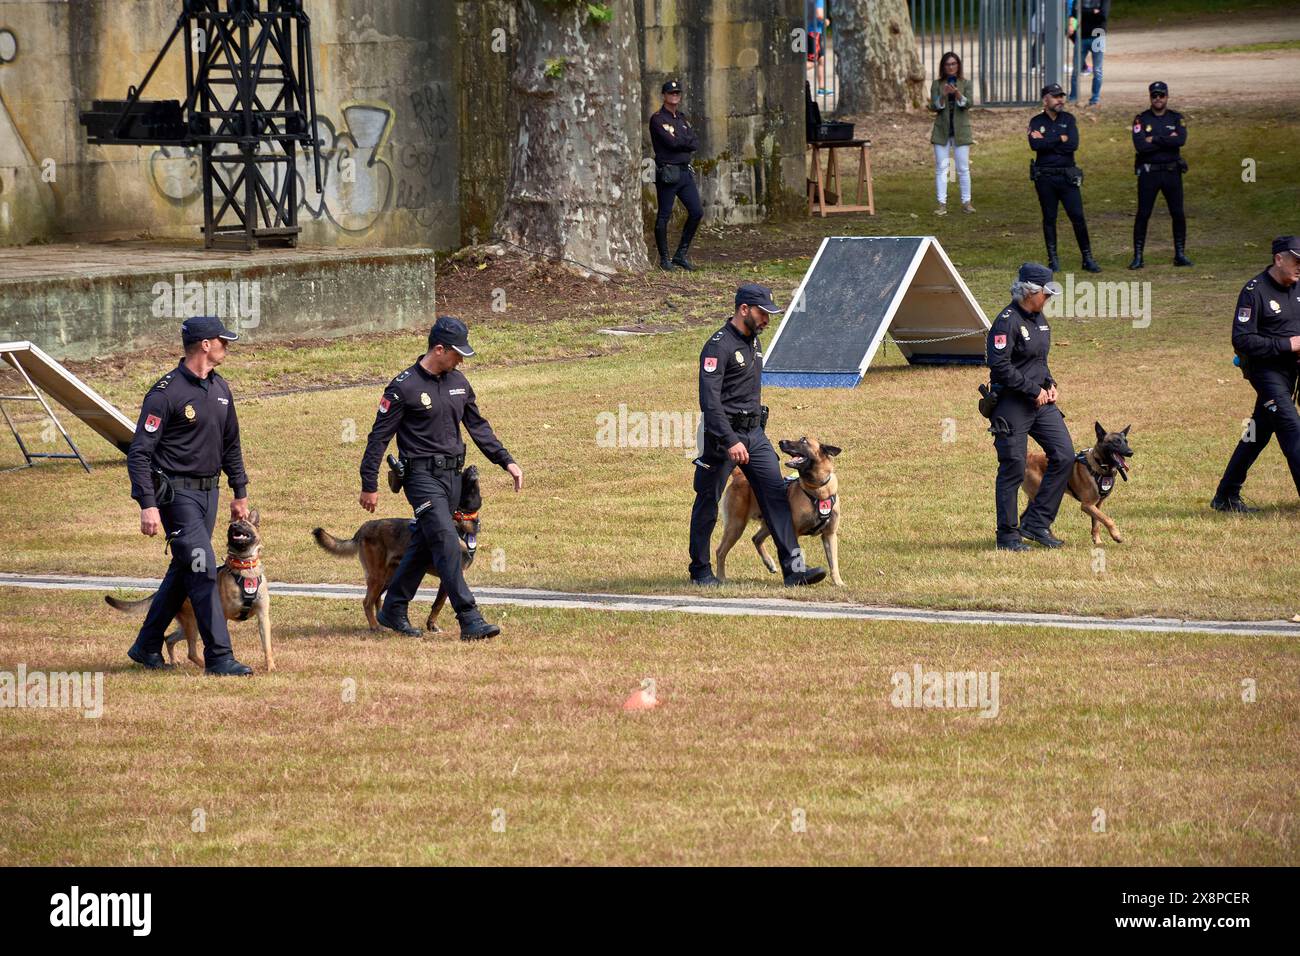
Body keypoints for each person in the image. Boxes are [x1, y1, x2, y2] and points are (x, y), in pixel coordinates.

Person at [359, 316, 523, 640]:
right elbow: (378, 438)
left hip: (453, 479)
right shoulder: (403, 387)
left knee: (423, 543)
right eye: (457, 353)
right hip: (421, 478)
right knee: (447, 541)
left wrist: (507, 461)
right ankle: (469, 618)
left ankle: (393, 608)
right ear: (438, 349)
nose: (461, 359)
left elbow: (479, 427)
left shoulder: (459, 382)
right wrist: (369, 483)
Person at [125, 316, 254, 676]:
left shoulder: (221, 389)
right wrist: (147, 504)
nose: (228, 347)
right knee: (201, 569)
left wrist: (239, 491)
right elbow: (139, 453)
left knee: (183, 570)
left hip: (209, 493)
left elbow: (232, 445)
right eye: (223, 341)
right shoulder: (165, 393)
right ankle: (220, 657)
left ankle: (146, 645)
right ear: (205, 345)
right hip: (175, 496)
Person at [689, 284, 827, 587]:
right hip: (721, 436)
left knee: (777, 496)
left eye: (769, 314)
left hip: (754, 434)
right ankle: (700, 571)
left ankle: (795, 571)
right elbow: (709, 402)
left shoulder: (754, 342)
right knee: (708, 501)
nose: (767, 319)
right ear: (744, 310)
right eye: (762, 313)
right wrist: (730, 440)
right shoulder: (718, 346)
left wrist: (750, 434)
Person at [985, 264, 1074, 551]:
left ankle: (1036, 522)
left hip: (1041, 403)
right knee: (1013, 467)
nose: (1048, 300)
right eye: (1045, 295)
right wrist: (1032, 389)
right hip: (1012, 404)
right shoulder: (1006, 321)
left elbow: (1039, 361)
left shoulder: (1040, 320)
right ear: (1029, 292)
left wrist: (1050, 384)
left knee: (1064, 456)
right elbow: (1000, 367)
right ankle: (1008, 536)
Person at [1211, 237, 1300, 513]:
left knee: (1256, 433)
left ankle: (1225, 496)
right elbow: (1242, 340)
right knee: (1292, 429)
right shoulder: (1254, 291)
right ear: (1279, 259)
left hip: (1294, 370)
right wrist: (1287, 344)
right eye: (1296, 260)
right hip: (1266, 372)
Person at [1028, 83, 1100, 274]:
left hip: (1067, 177)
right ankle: (1053, 260)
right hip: (1045, 178)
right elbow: (1035, 145)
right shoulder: (1036, 121)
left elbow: (1073, 145)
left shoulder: (1068, 119)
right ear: (1045, 100)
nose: (1060, 100)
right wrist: (1060, 139)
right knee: (1049, 218)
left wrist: (1048, 142)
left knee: (1077, 217)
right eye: (1055, 96)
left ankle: (1087, 258)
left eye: (1061, 96)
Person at [1129, 81, 1192, 269]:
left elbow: (1180, 140)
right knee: (1143, 214)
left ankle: (1180, 254)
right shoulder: (1141, 119)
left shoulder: (1176, 118)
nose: (1158, 99)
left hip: (1172, 172)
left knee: (1178, 213)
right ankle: (1138, 256)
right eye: (1154, 95)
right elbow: (1140, 146)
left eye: (1161, 95)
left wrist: (1154, 139)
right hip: (1149, 173)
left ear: (1167, 97)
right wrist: (1167, 140)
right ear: (1150, 97)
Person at [649, 79, 703, 272]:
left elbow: (694, 142)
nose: (675, 96)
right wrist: (683, 141)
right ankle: (664, 259)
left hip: (684, 171)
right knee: (664, 215)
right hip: (668, 172)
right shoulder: (657, 119)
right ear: (664, 95)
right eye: (671, 93)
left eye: (677, 93)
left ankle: (680, 254)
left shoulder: (681, 118)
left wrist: (681, 141)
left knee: (697, 212)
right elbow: (670, 144)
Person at [929, 51, 975, 216]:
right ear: (943, 66)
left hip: (961, 131)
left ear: (958, 65)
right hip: (942, 130)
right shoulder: (937, 84)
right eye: (948, 64)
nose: (951, 67)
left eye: (954, 64)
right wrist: (943, 95)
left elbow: (968, 104)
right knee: (942, 167)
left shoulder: (966, 83)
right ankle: (942, 203)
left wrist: (956, 93)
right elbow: (933, 107)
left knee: (963, 168)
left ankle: (966, 202)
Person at [1068, 1, 1109, 106]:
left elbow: (1102, 16)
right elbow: (1074, 14)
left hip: (1098, 35)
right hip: (1082, 36)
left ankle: (1095, 99)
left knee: (1097, 70)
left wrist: (1083, 12)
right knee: (1076, 70)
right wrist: (1093, 12)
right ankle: (1073, 97)